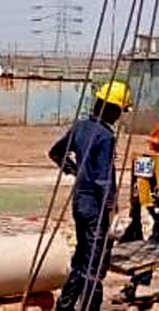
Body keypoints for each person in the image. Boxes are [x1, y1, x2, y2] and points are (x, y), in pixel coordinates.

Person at [49, 80, 131, 311]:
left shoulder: (80, 127)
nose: (119, 116)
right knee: (95, 260)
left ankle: (65, 305)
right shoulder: (105, 136)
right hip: (95, 205)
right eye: (119, 111)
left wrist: (74, 170)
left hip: (80, 202)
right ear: (111, 108)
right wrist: (112, 208)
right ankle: (90, 306)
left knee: (81, 256)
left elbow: (56, 152)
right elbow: (103, 179)